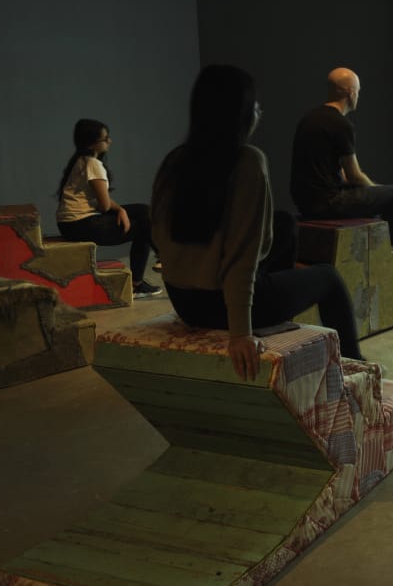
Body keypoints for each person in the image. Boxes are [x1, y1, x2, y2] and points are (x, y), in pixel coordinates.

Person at [152, 65, 363, 381]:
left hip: (185, 301)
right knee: (329, 278)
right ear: (241, 114)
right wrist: (241, 333)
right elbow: (242, 259)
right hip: (225, 306)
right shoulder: (248, 161)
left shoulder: (175, 160)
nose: (259, 113)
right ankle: (355, 367)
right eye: (255, 106)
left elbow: (159, 236)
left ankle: (278, 315)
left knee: (284, 223)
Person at [290, 67, 393, 247]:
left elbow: (334, 173)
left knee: (368, 194)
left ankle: (370, 250)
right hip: (328, 203)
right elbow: (354, 175)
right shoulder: (341, 124)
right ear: (351, 92)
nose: (358, 96)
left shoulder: (308, 119)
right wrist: (376, 189)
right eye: (358, 91)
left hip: (305, 202)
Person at [55, 118, 161, 298]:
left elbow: (100, 204)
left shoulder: (81, 161)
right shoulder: (93, 164)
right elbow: (104, 205)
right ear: (92, 143)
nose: (109, 141)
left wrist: (121, 210)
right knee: (143, 227)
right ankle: (139, 282)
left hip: (69, 224)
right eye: (105, 139)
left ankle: (161, 258)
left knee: (144, 211)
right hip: (80, 224)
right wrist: (120, 210)